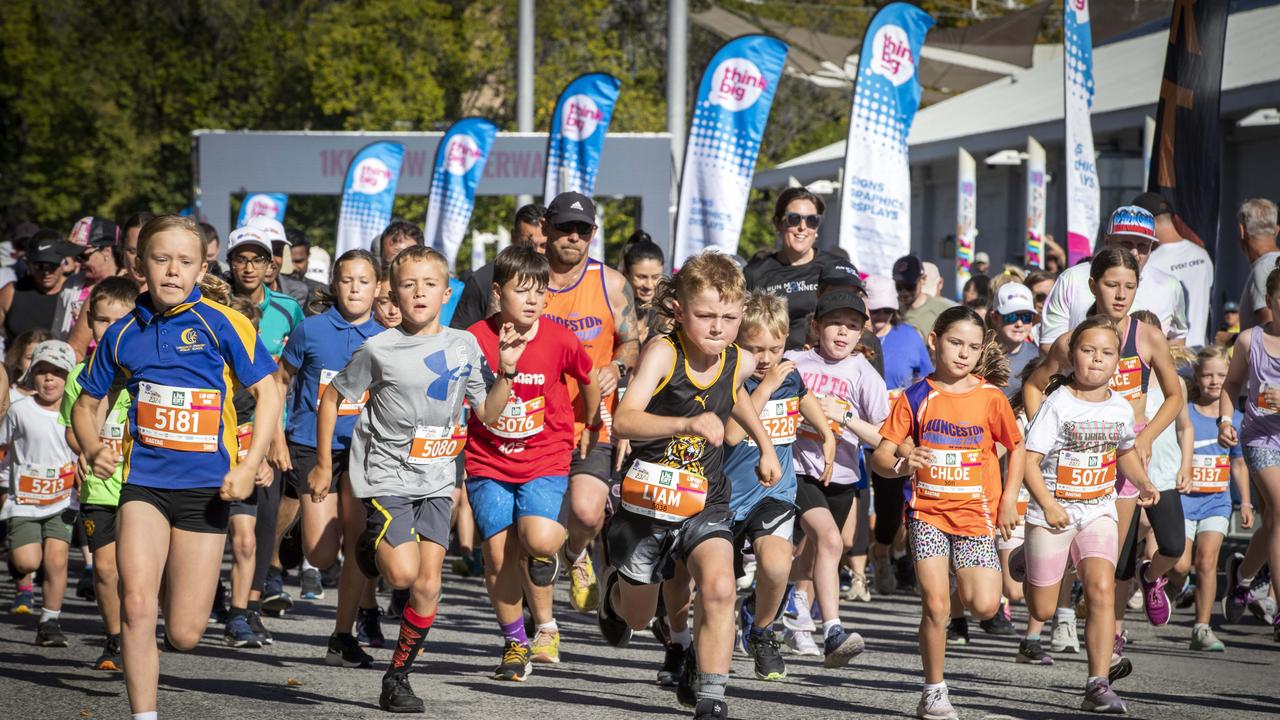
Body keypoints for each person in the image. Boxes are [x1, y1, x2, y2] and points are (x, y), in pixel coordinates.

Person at [71, 214, 282, 720]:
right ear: (140, 264)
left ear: (202, 266)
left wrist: (249, 463)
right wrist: (91, 443)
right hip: (144, 485)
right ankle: (145, 715)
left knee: (185, 633)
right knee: (137, 604)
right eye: (160, 259)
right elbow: (85, 403)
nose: (171, 271)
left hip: (206, 491)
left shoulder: (223, 322)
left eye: (184, 262)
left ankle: (175, 590)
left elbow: (269, 392)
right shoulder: (123, 334)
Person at [310, 245, 519, 712]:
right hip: (386, 475)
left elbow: (485, 411)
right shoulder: (378, 348)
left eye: (429, 285)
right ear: (393, 294)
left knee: (427, 586)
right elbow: (331, 397)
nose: (419, 292)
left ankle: (397, 676)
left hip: (439, 477)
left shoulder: (463, 344)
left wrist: (507, 372)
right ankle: (374, 546)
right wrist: (324, 463)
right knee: (403, 573)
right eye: (408, 285)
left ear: (447, 293)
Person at [599, 251, 781, 720]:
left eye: (728, 316)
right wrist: (685, 423)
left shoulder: (737, 358)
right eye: (705, 316)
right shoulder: (664, 351)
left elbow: (734, 395)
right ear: (679, 309)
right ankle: (614, 591)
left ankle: (712, 695)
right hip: (649, 498)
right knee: (639, 617)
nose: (718, 327)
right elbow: (624, 420)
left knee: (720, 587)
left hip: (705, 497)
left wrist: (764, 445)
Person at [1025, 249, 1186, 676]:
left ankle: (1108, 648)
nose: (1121, 294)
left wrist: (1146, 436)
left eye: (1129, 286)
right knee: (1064, 560)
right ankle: (1044, 572)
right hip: (1071, 462)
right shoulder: (1073, 341)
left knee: (1110, 564)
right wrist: (1043, 433)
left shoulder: (1147, 337)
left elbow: (1175, 396)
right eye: (1112, 284)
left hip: (1123, 459)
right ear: (1093, 283)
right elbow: (1034, 386)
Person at [871, 306, 1023, 720]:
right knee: (936, 606)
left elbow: (1017, 447)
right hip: (928, 515)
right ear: (934, 341)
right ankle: (934, 691)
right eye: (955, 343)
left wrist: (1009, 499)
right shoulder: (915, 396)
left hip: (976, 516)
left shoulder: (990, 398)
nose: (963, 354)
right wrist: (903, 462)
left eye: (973, 347)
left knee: (986, 606)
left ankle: (967, 575)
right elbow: (881, 459)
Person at [463, 245, 601, 675]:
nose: (531, 300)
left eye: (539, 292)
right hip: (488, 460)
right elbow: (475, 405)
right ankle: (515, 643)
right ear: (499, 293)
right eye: (521, 291)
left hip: (545, 455)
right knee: (499, 556)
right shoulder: (474, 339)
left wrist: (590, 424)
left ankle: (550, 608)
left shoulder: (560, 338)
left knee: (539, 541)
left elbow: (589, 376)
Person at [1016, 316, 1160, 714]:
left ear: (1118, 361)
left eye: (1107, 353)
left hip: (1098, 509)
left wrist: (1143, 482)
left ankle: (1097, 684)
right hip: (1054, 509)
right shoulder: (1057, 404)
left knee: (1100, 589)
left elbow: (1125, 451)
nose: (1097, 360)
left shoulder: (1119, 406)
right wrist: (1047, 504)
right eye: (1088, 351)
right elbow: (1029, 462)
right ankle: (1026, 559)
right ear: (1072, 355)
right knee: (1042, 609)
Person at [278, 249, 386, 666]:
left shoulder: (384, 338)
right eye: (347, 280)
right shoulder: (310, 330)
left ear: (377, 288)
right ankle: (300, 525)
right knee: (322, 555)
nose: (355, 288)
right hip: (311, 444)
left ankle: (342, 635)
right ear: (335, 285)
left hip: (363, 449)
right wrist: (275, 436)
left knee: (358, 544)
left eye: (364, 281)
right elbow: (280, 380)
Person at [722, 291, 835, 682]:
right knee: (717, 584)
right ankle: (690, 650)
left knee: (775, 565)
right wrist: (764, 388)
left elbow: (804, 397)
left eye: (775, 348)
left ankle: (761, 631)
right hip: (726, 498)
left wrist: (826, 433)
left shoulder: (787, 373)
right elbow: (733, 434)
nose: (766, 358)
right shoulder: (731, 377)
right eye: (755, 349)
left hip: (775, 491)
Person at [540, 191, 638, 618]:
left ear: (593, 235)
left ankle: (578, 555)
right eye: (564, 228)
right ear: (546, 229)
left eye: (582, 230)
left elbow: (632, 341)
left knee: (586, 511)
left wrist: (617, 365)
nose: (573, 237)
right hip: (536, 420)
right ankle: (537, 623)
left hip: (591, 422)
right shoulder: (526, 281)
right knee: (537, 530)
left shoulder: (612, 284)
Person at [781, 291, 882, 663]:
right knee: (829, 539)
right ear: (816, 326)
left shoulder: (863, 373)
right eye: (836, 323)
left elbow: (883, 436)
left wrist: (842, 418)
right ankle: (833, 629)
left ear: (861, 334)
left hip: (841, 474)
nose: (843, 332)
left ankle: (777, 611)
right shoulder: (794, 362)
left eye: (853, 326)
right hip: (798, 469)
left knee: (810, 555)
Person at [226, 224, 304, 642]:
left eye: (258, 258)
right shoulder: (216, 304)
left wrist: (280, 434)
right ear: (230, 263)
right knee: (228, 525)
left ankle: (249, 604)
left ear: (271, 264)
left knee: (263, 522)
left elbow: (290, 375)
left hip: (274, 427)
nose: (249, 266)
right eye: (241, 258)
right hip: (222, 428)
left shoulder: (289, 310)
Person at [60, 277, 140, 670]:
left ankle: (140, 631)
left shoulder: (147, 376)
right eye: (101, 321)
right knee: (106, 570)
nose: (109, 331)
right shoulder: (79, 377)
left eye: (119, 321)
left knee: (138, 571)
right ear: (89, 323)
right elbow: (71, 429)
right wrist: (85, 450)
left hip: (143, 488)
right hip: (98, 489)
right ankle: (114, 640)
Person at [1167, 345, 1252, 651]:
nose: (1215, 381)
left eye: (1221, 375)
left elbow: (1239, 463)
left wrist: (1244, 501)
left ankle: (1202, 628)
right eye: (1207, 375)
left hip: (1216, 500)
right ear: (1196, 378)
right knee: (1179, 564)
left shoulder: (1236, 420)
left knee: (1207, 560)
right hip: (1184, 500)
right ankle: (1178, 587)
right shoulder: (1185, 412)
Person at [1218, 263, 1280, 642]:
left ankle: (1242, 578)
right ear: (1269, 299)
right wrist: (1226, 421)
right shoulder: (1249, 341)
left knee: (1273, 522)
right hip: (1259, 438)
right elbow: (1232, 385)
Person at [3, 340, 79, 648]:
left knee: (57, 561)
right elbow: (3, 446)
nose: (49, 379)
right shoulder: (20, 411)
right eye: (43, 371)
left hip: (62, 498)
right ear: (32, 375)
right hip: (25, 500)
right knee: (27, 561)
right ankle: (17, 562)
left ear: (69, 377)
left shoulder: (77, 412)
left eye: (58, 372)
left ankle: (50, 620)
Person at [1039, 205, 1188, 351]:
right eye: (1127, 244)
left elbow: (1177, 340)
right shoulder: (1071, 278)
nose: (1135, 253)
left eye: (1143, 246)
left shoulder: (1170, 286)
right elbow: (1049, 345)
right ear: (1107, 241)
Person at [744, 188, 851, 350]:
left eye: (812, 220)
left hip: (824, 366)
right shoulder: (755, 273)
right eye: (794, 219)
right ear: (778, 223)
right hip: (772, 367)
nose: (802, 227)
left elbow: (856, 322)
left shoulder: (836, 268)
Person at [450, 204, 547, 331]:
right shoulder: (482, 280)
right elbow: (461, 336)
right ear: (513, 237)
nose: (536, 251)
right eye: (527, 244)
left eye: (544, 245)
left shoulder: (563, 277)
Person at [1139, 193, 1213, 349]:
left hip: (1172, 353)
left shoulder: (1151, 262)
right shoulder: (1202, 254)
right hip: (1200, 353)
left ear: (1148, 223)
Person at [2, 230, 79, 343]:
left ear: (63, 263)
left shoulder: (75, 293)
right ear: (28, 264)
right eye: (40, 266)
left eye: (52, 265)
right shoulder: (11, 291)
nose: (46, 272)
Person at [54, 218, 120, 347]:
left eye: (83, 256)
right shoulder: (71, 285)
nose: (78, 263)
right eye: (75, 257)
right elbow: (58, 335)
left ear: (106, 250)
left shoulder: (130, 283)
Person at [1234, 198, 1280, 331]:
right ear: (1276, 230)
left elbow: (1271, 328)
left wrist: (1233, 339)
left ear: (1242, 230)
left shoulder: (1263, 269)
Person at [990, 283, 1039, 400]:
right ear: (995, 317)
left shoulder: (1037, 356)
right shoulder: (979, 353)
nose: (1019, 324)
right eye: (1011, 316)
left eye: (1026, 317)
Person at [894, 255, 956, 341]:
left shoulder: (944, 311)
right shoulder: (890, 310)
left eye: (909, 286)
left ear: (923, 279)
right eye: (899, 286)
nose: (904, 292)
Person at [622, 235, 666, 342]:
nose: (649, 285)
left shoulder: (669, 313)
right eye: (641, 277)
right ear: (626, 274)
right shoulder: (616, 308)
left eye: (655, 277)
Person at [119, 212, 154, 288]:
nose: (139, 259)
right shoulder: (110, 292)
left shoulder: (176, 294)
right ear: (122, 250)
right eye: (132, 251)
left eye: (146, 251)